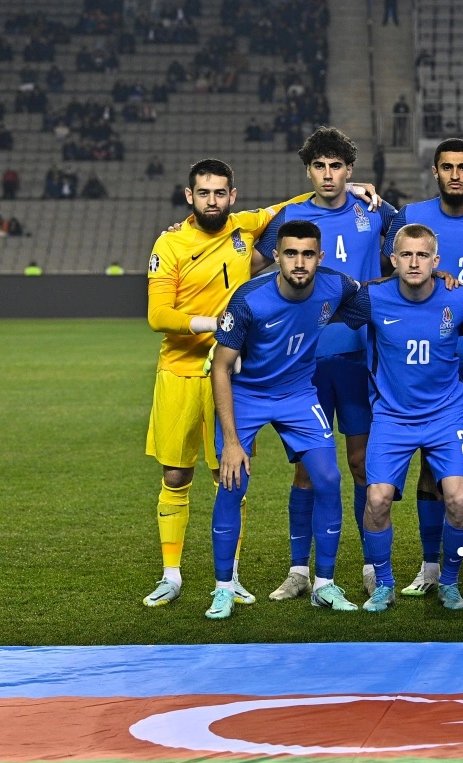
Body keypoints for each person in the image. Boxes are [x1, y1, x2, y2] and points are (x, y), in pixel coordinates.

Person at [141, 158, 307, 608]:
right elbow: (158, 315)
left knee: (230, 476)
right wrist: (215, 323)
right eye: (203, 193)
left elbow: (295, 204)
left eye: (220, 193)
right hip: (178, 371)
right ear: (189, 196)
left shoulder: (244, 225)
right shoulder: (170, 243)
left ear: (232, 196)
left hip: (233, 376)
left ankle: (229, 577)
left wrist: (358, 189)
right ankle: (170, 576)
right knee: (176, 473)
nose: (211, 201)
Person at [254, 127, 395, 600]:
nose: (329, 174)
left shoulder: (374, 211)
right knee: (307, 470)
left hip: (358, 357)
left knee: (360, 464)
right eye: (320, 166)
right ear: (308, 170)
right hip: (304, 365)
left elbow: (420, 233)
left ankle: (374, 566)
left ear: (350, 171)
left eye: (337, 166)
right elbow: (246, 263)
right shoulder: (289, 217)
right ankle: (299, 570)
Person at [338, 223, 463, 612]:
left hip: (446, 417)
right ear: (394, 260)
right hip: (392, 418)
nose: (415, 262)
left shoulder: (458, 298)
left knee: (459, 499)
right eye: (406, 256)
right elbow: (320, 308)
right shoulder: (372, 299)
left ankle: (448, 581)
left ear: (436, 261)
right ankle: (384, 583)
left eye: (422, 255)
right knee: (377, 499)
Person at [205, 219, 361, 619]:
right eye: (290, 253)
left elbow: (382, 295)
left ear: (320, 257)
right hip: (248, 395)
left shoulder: (336, 285)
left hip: (298, 394)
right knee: (232, 481)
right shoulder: (248, 300)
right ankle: (223, 587)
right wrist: (234, 443)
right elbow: (220, 368)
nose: (300, 262)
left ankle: (323, 584)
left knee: (328, 478)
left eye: (308, 254)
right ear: (276, 256)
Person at [381, 139, 463, 596]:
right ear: (434, 172)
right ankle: (431, 564)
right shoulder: (412, 218)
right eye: (446, 167)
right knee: (430, 468)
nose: (455, 175)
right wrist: (431, 275)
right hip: (430, 367)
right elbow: (392, 269)